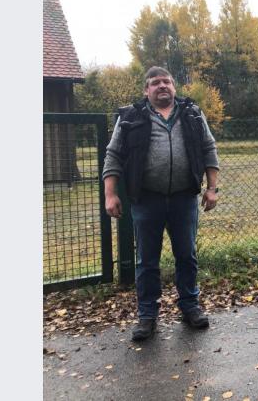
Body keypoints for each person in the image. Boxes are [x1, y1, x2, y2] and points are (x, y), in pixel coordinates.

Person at [102, 66, 220, 341]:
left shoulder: (192, 113)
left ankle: (190, 307)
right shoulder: (131, 117)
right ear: (147, 90)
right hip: (146, 199)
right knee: (147, 260)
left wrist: (212, 188)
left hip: (184, 198)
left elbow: (209, 148)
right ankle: (147, 316)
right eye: (155, 83)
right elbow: (113, 154)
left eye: (166, 81)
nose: (162, 86)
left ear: (174, 87)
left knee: (187, 256)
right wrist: (110, 194)